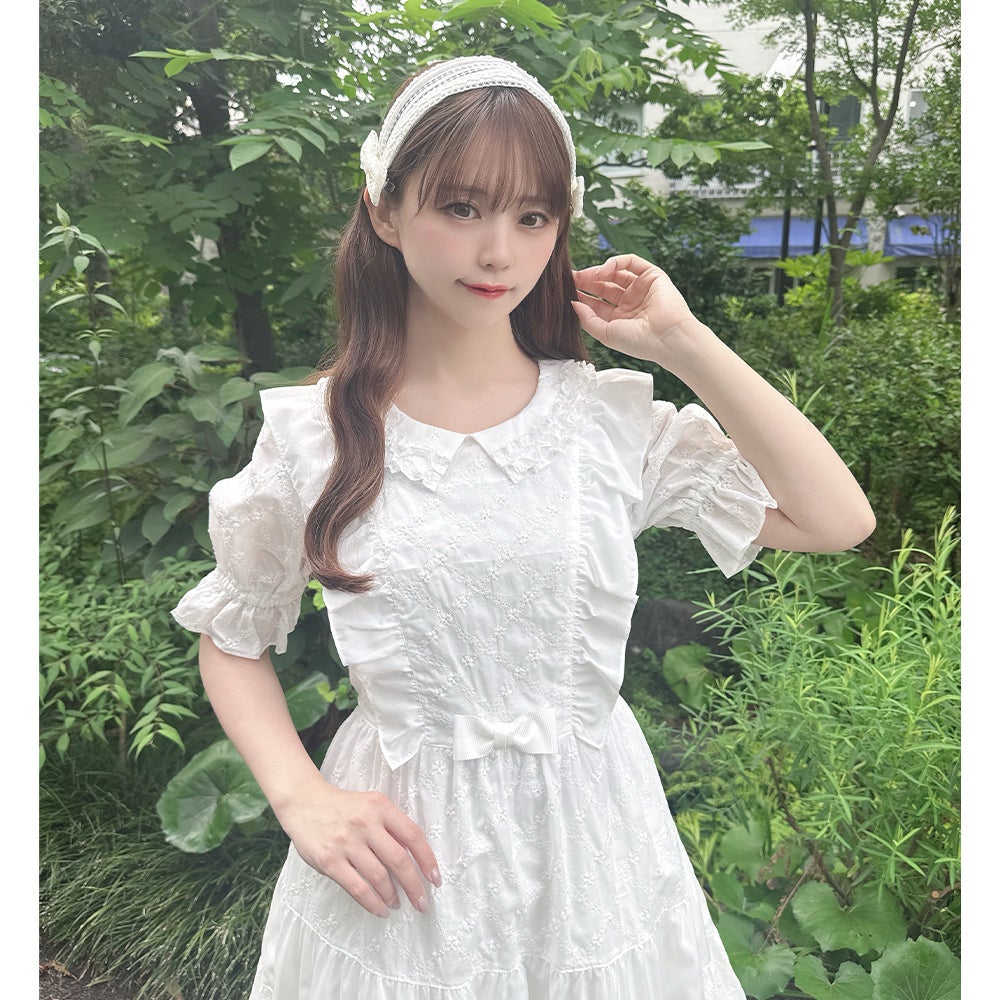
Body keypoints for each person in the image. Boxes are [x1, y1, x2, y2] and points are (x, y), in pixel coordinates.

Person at [172, 55, 874, 999]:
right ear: (385, 208)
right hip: (405, 870)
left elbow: (836, 518)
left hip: (598, 857)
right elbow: (233, 632)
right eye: (461, 208)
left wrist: (683, 343)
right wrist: (302, 798)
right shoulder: (318, 436)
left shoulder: (606, 426)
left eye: (533, 217)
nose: (498, 251)